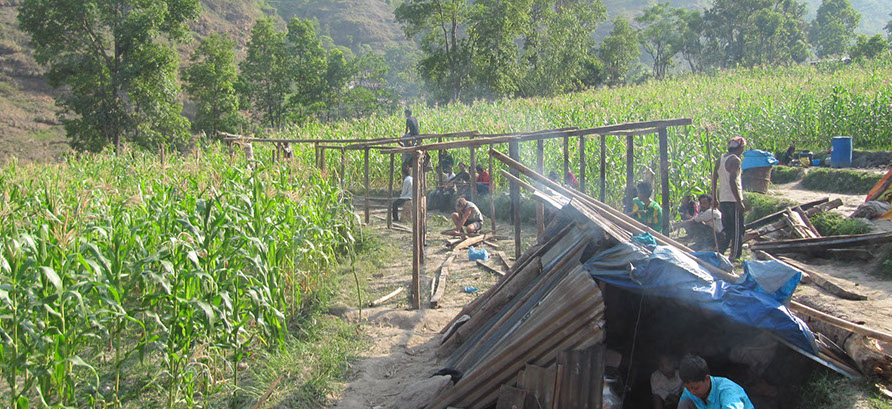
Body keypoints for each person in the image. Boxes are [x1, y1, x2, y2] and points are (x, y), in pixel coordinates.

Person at [678, 354, 754, 409]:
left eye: (696, 388)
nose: (692, 392)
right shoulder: (688, 392)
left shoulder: (728, 390)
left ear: (707, 379)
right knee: (685, 403)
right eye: (688, 388)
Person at [713, 136, 747, 260]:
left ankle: (721, 252)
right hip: (733, 200)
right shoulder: (735, 160)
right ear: (740, 148)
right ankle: (735, 255)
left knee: (727, 228)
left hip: (723, 199)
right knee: (737, 230)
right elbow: (733, 181)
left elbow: (714, 178)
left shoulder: (721, 159)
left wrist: (715, 197)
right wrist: (739, 201)